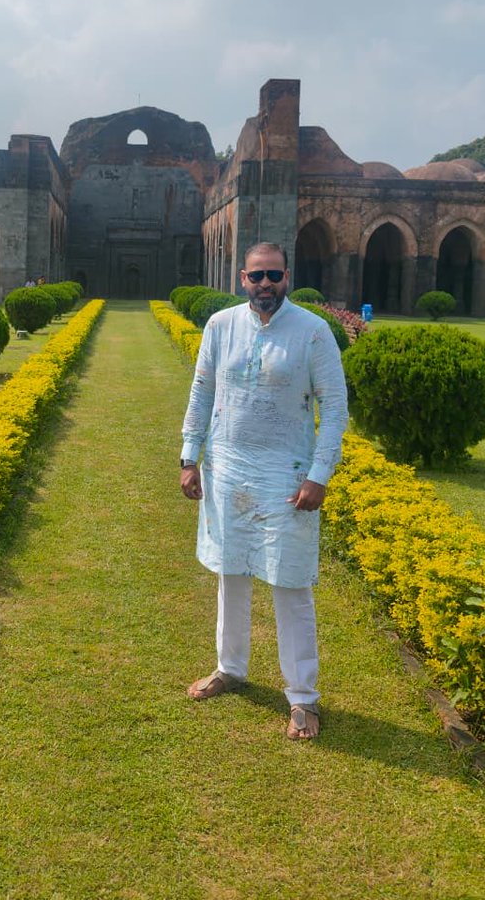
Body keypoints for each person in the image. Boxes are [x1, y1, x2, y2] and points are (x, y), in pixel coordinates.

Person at [179, 242, 348, 739]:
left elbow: (334, 409)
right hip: (228, 468)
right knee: (231, 573)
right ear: (242, 278)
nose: (265, 284)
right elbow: (202, 391)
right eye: (257, 276)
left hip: (288, 477)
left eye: (273, 275)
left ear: (287, 276)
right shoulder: (221, 326)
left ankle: (302, 698)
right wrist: (191, 457)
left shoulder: (313, 332)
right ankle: (230, 668)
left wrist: (319, 474)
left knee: (290, 584)